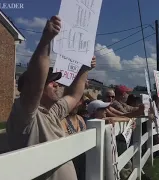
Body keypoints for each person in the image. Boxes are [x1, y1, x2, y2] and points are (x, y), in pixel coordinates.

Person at [6, 16, 95, 180]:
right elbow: (35, 83)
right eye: (50, 82)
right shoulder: (26, 115)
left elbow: (74, 95)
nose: (57, 85)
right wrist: (46, 40)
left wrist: (85, 67)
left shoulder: (52, 112)